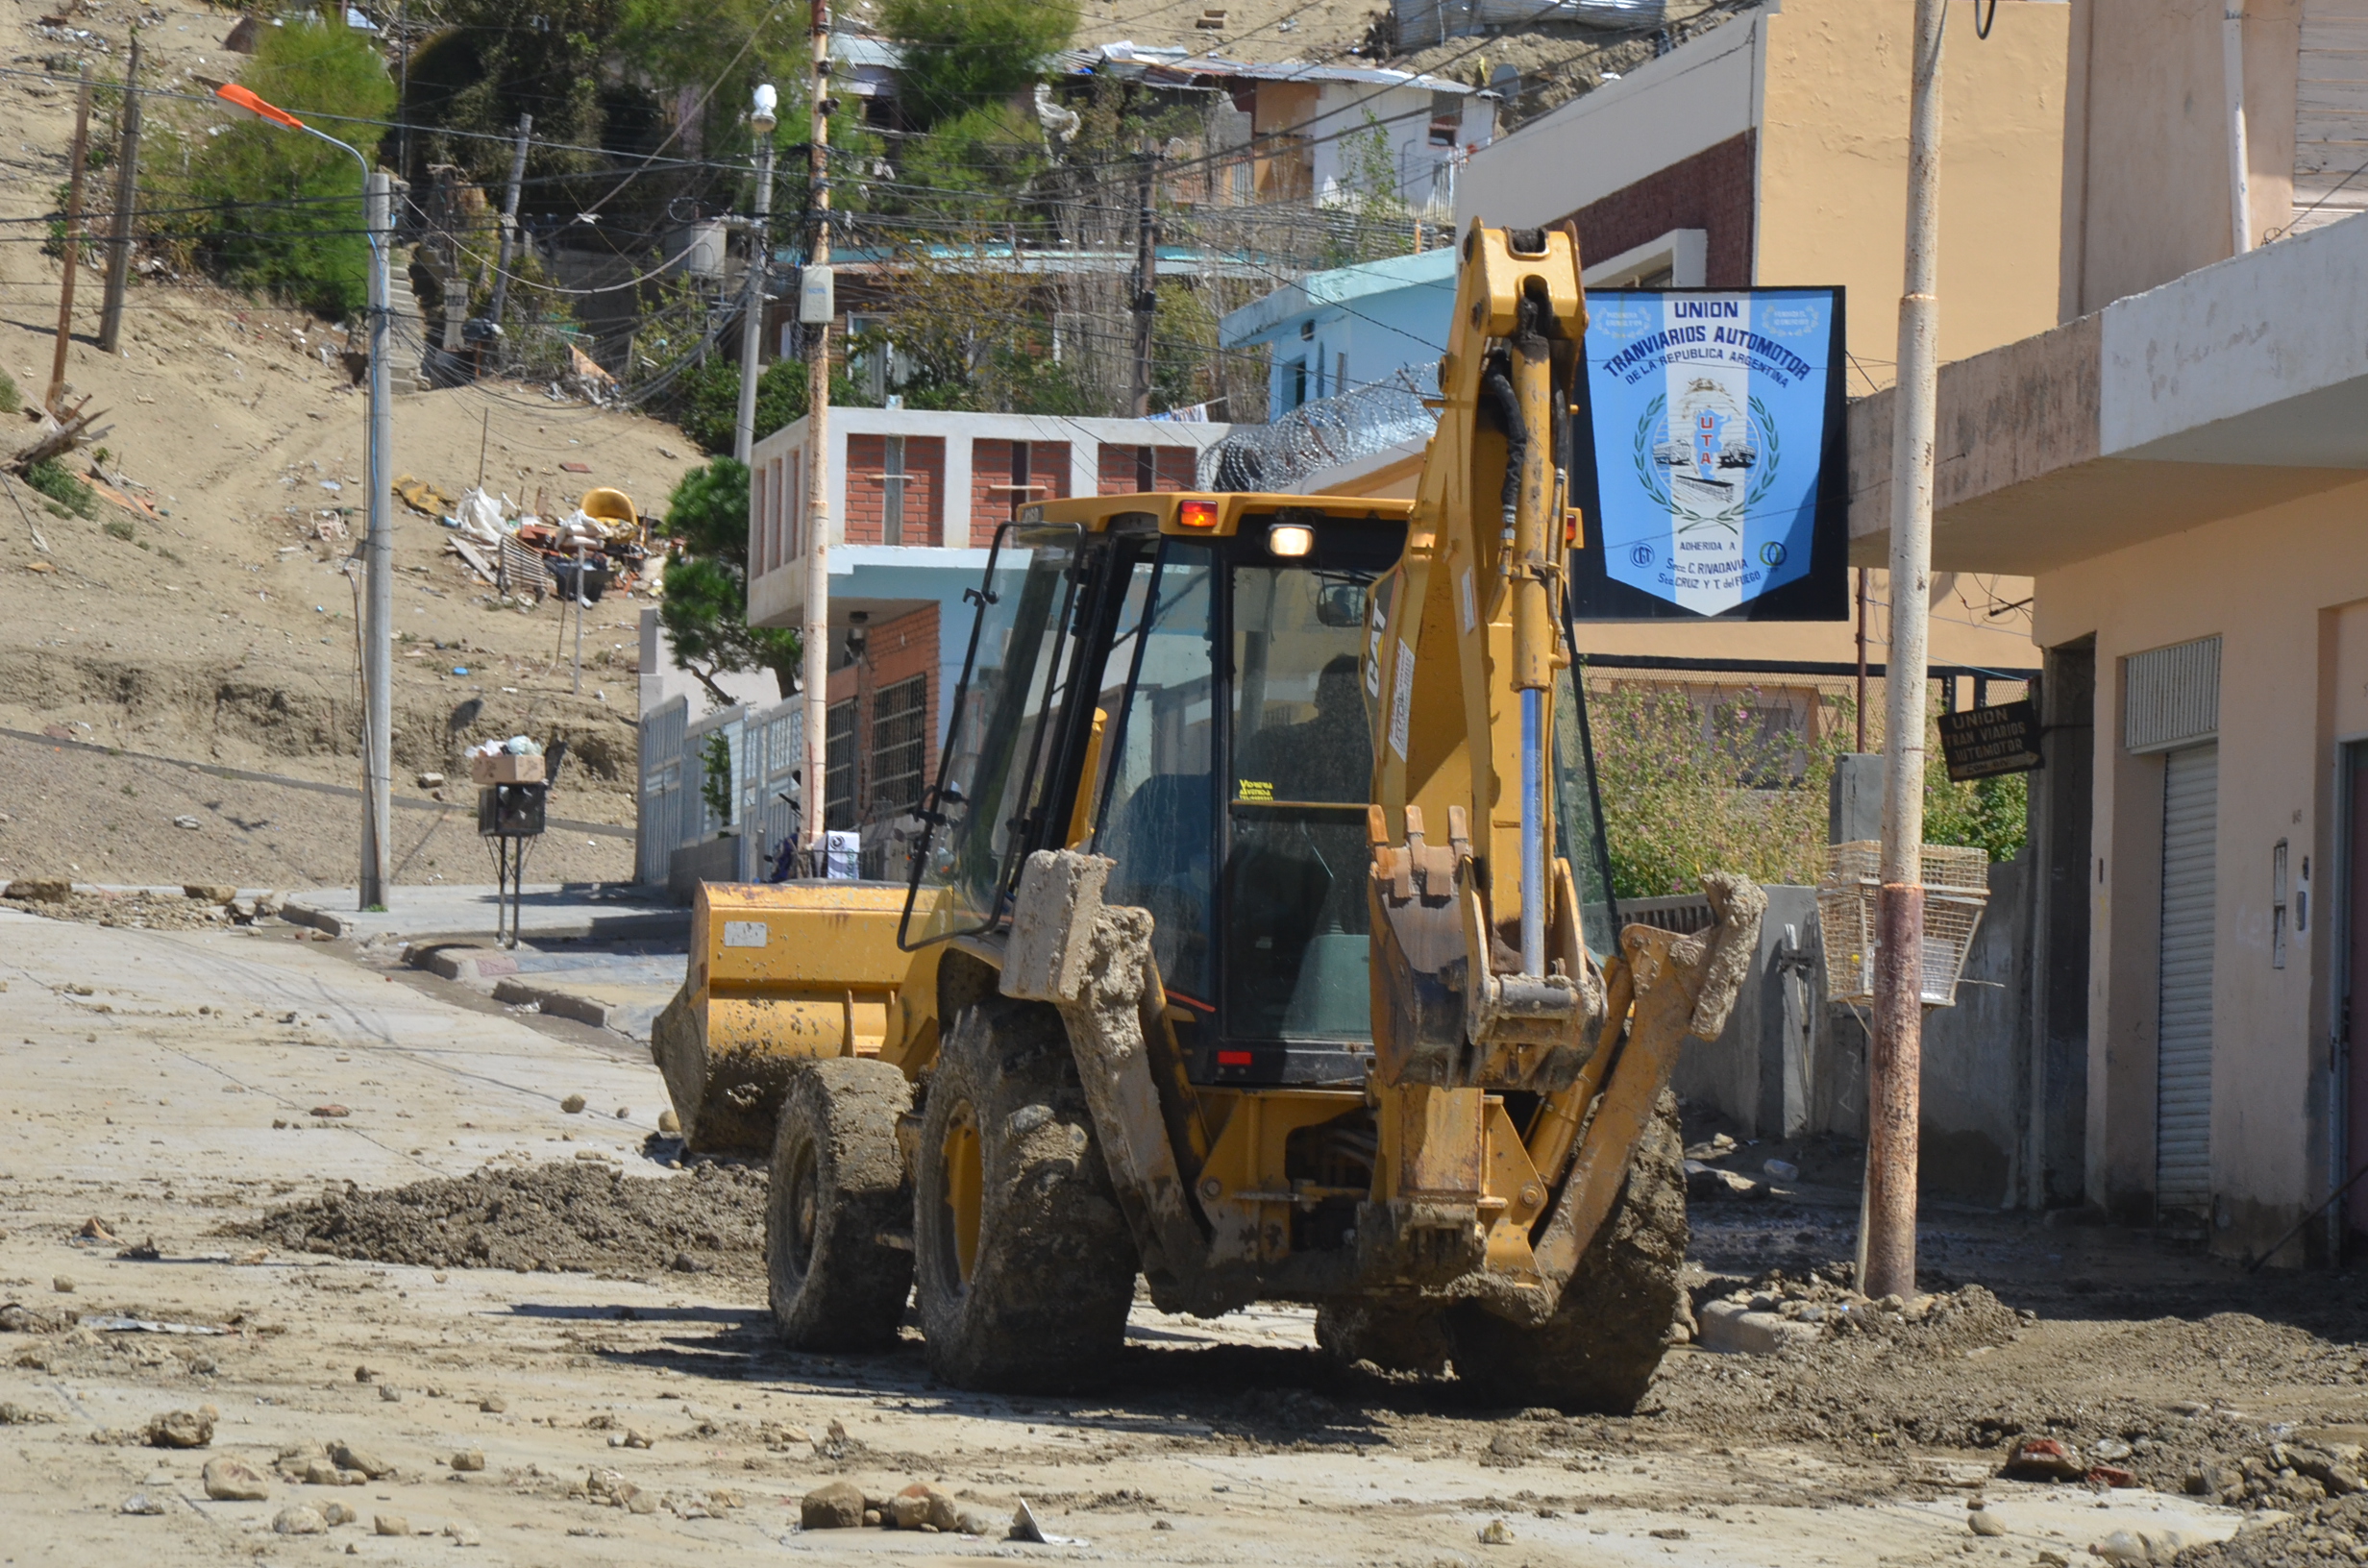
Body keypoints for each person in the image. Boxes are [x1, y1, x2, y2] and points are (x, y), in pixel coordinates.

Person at [1235, 652, 1370, 803]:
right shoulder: (1383, 766)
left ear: (1319, 699)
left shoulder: (1271, 745)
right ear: (1368, 708)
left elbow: (1227, 793)